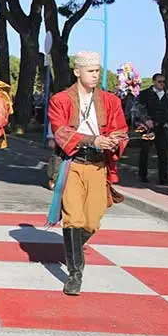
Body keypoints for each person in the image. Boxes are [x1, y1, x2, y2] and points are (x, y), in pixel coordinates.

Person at [47, 51, 128, 296]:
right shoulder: (60, 99)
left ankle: (72, 246)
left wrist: (114, 141)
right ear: (77, 71)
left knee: (92, 220)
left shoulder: (111, 101)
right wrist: (93, 140)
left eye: (97, 71)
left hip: (98, 166)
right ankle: (75, 274)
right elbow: (60, 132)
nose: (95, 76)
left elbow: (122, 130)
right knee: (74, 218)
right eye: (91, 71)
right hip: (72, 164)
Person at [137, 73, 168, 184]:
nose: (162, 84)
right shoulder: (145, 94)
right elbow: (137, 108)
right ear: (154, 82)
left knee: (163, 153)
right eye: (159, 82)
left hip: (162, 127)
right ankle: (142, 175)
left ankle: (163, 177)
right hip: (148, 128)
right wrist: (146, 119)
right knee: (145, 151)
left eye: (163, 82)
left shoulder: (167, 95)